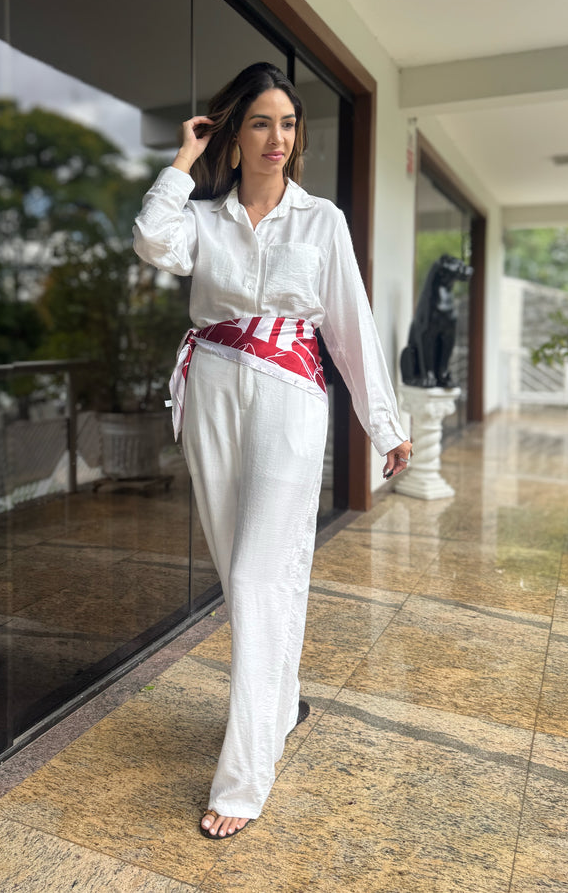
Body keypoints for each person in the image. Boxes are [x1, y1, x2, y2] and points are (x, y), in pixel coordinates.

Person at [133, 62, 412, 838]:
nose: (277, 139)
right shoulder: (205, 216)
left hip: (289, 392)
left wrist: (384, 423)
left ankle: (246, 774)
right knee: (249, 576)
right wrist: (183, 163)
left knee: (262, 574)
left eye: (288, 124)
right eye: (260, 122)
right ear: (234, 132)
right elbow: (153, 240)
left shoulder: (321, 220)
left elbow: (349, 326)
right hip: (213, 392)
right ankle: (282, 703)